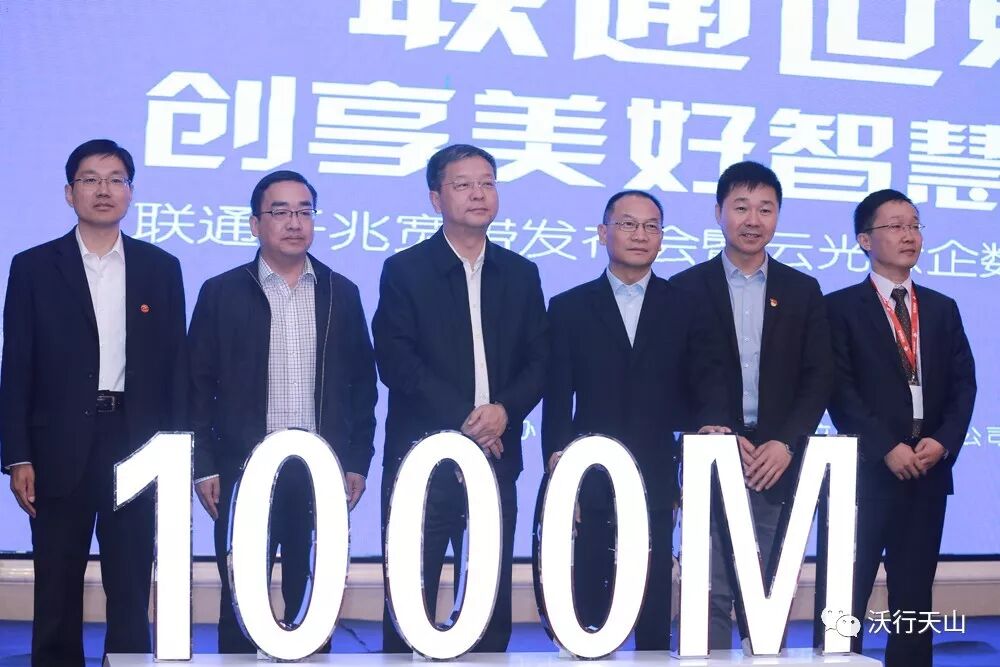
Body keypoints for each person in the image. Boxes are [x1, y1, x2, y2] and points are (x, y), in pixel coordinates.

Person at [0, 139, 186, 665]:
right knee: (56, 585)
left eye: (115, 179)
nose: (103, 190)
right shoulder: (34, 267)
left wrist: (175, 455)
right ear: (69, 193)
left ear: (130, 192)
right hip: (57, 445)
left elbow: (175, 367)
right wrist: (18, 455)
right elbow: (17, 365)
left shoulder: (160, 267)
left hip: (136, 442)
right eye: (90, 179)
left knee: (130, 583)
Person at [188, 170, 377, 653]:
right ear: (256, 224)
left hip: (319, 471)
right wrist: (203, 464)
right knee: (240, 598)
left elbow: (363, 387)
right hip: (243, 469)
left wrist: (357, 461)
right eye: (280, 212)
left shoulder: (341, 292)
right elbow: (196, 387)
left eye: (304, 211)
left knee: (311, 600)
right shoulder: (221, 292)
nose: (294, 222)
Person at [373, 144, 547, 653]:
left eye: (487, 182)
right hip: (422, 461)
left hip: (497, 458)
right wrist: (471, 421)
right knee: (410, 600)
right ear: (436, 198)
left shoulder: (521, 273)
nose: (478, 193)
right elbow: (397, 362)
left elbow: (540, 361)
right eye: (463, 184)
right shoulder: (405, 270)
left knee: (489, 602)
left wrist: (504, 411)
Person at [542, 190, 729, 649]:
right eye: (627, 224)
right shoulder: (569, 306)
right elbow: (557, 397)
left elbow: (707, 379)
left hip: (657, 471)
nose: (640, 235)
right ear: (603, 233)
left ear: (662, 238)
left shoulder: (686, 305)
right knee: (589, 596)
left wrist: (710, 424)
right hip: (590, 470)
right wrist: (558, 470)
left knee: (653, 594)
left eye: (651, 226)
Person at [668, 160, 833, 651]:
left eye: (766, 208)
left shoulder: (802, 290)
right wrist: (708, 427)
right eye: (741, 207)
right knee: (710, 589)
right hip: (712, 454)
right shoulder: (683, 289)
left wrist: (787, 441)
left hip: (776, 460)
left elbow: (819, 376)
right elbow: (670, 374)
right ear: (718, 212)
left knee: (769, 591)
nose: (753, 219)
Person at [826, 189, 975, 667]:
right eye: (895, 226)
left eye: (914, 225)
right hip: (866, 474)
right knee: (845, 597)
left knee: (913, 601)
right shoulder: (839, 308)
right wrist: (885, 446)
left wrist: (943, 442)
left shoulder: (942, 308)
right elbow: (838, 388)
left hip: (927, 472)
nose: (909, 235)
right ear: (864, 240)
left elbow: (964, 385)